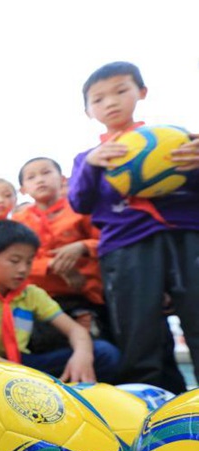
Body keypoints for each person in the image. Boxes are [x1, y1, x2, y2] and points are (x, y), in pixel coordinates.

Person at [68, 61, 199, 392]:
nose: (110, 102)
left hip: (188, 237)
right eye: (98, 99)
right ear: (88, 111)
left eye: (120, 91)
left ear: (141, 92)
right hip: (126, 247)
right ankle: (146, 411)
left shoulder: (178, 141)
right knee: (139, 334)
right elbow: (79, 202)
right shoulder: (88, 157)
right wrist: (93, 166)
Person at [0, 220, 120, 383]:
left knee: (104, 353)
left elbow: (76, 331)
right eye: (15, 261)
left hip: (24, 363)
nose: (23, 269)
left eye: (29, 261)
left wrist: (82, 356)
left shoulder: (31, 294)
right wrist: (24, 375)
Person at [15, 157, 107, 353]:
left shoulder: (81, 209)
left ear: (63, 179)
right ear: (23, 189)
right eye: (31, 177)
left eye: (46, 173)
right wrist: (52, 265)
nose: (40, 180)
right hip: (38, 301)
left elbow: (108, 242)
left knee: (100, 351)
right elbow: (13, 260)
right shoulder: (19, 221)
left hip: (85, 298)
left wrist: (83, 246)